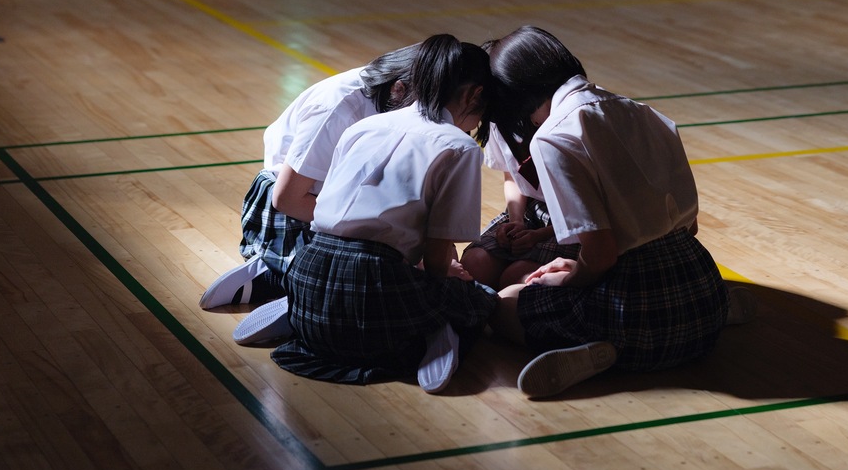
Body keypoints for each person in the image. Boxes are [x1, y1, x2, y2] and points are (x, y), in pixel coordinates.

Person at [485, 26, 755, 398]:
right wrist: (579, 265)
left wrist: (566, 278)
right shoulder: (643, 112)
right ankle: (715, 312)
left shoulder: (554, 138)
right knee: (557, 283)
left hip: (631, 306)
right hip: (698, 284)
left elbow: (602, 254)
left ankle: (606, 351)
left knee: (503, 304)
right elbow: (688, 227)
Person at [250, 34, 500, 393]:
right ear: (474, 96)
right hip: (375, 284)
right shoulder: (458, 146)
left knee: (365, 286)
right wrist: (452, 273)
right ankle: (440, 335)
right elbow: (435, 255)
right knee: (479, 299)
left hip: (309, 267)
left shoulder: (362, 127)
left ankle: (299, 313)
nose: (473, 127)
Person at [199, 44, 418, 312]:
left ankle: (289, 281)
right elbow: (287, 199)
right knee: (376, 276)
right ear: (399, 88)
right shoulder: (340, 105)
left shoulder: (393, 100)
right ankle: (291, 283)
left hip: (336, 200)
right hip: (292, 210)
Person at [459, 118, 580, 289]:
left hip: (572, 216)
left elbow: (592, 209)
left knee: (517, 277)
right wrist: (516, 220)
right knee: (474, 264)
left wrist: (541, 234)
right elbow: (512, 177)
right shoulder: (498, 119)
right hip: (530, 207)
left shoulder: (569, 120)